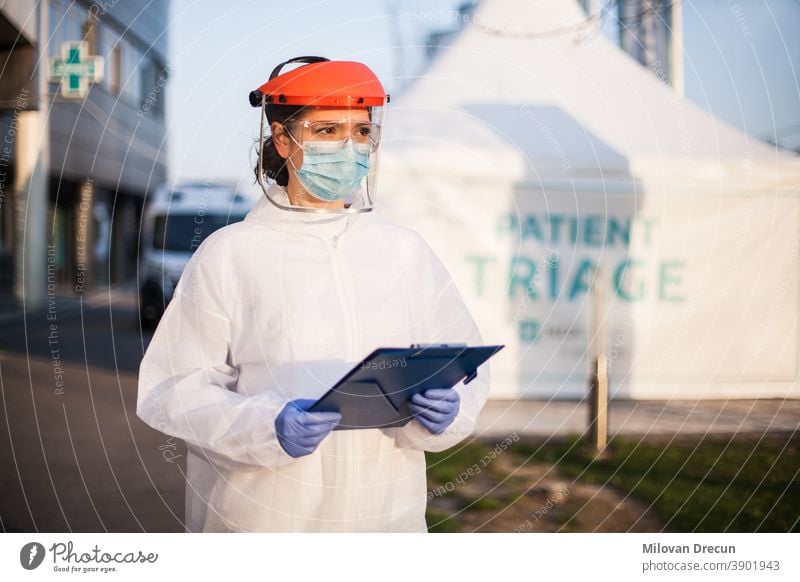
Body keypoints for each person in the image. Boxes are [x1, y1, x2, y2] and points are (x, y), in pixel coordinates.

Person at [136, 56, 490, 533]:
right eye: (327, 131)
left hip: (386, 522)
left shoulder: (404, 252)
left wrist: (447, 409)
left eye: (361, 132)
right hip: (263, 521)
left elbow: (462, 362)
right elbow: (173, 388)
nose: (349, 147)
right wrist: (266, 425)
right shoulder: (231, 255)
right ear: (284, 139)